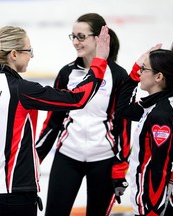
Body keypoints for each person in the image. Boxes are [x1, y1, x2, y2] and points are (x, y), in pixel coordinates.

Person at [0, 25, 110, 216]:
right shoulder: (21, 89)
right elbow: (77, 99)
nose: (31, 56)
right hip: (15, 191)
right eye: (29, 51)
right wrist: (99, 61)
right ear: (13, 54)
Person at [35, 13, 131, 216]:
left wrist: (120, 165)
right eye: (73, 36)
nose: (76, 42)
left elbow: (124, 125)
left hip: (103, 159)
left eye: (81, 36)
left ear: (99, 37)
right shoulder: (66, 74)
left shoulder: (119, 76)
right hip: (68, 156)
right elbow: (53, 122)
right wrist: (34, 158)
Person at [116, 44, 173, 215]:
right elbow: (122, 110)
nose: (139, 73)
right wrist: (135, 70)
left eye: (143, 69)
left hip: (158, 206)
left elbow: (159, 168)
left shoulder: (161, 115)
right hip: (153, 202)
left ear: (158, 77)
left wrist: (153, 210)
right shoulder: (155, 104)